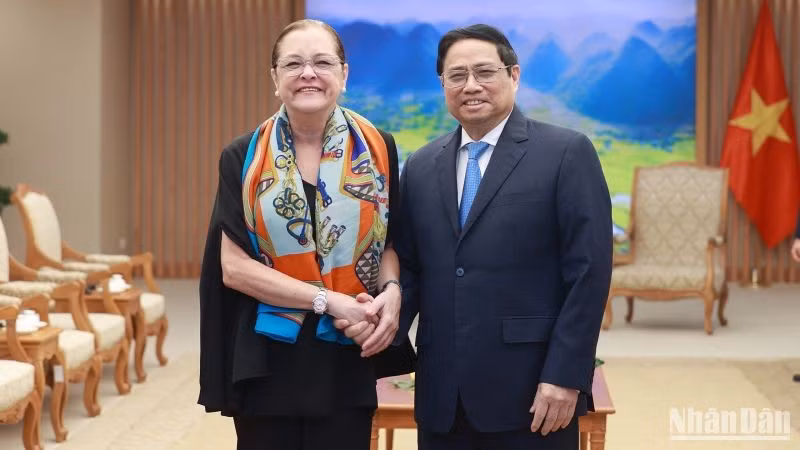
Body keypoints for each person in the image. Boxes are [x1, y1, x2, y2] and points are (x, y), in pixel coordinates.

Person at [363, 24, 612, 449]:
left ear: (513, 75)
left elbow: (589, 274)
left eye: (485, 72)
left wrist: (565, 375)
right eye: (456, 76)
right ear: (443, 84)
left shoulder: (566, 153)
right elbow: (410, 269)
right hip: (443, 396)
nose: (471, 85)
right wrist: (376, 326)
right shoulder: (422, 166)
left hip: (534, 393)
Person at [197, 19, 415, 450]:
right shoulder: (243, 156)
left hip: (347, 344)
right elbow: (234, 268)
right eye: (293, 64)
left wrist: (392, 290)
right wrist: (325, 300)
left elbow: (389, 241)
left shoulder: (378, 148)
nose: (308, 74)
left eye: (322, 62)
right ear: (275, 78)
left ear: (344, 74)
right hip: (269, 347)